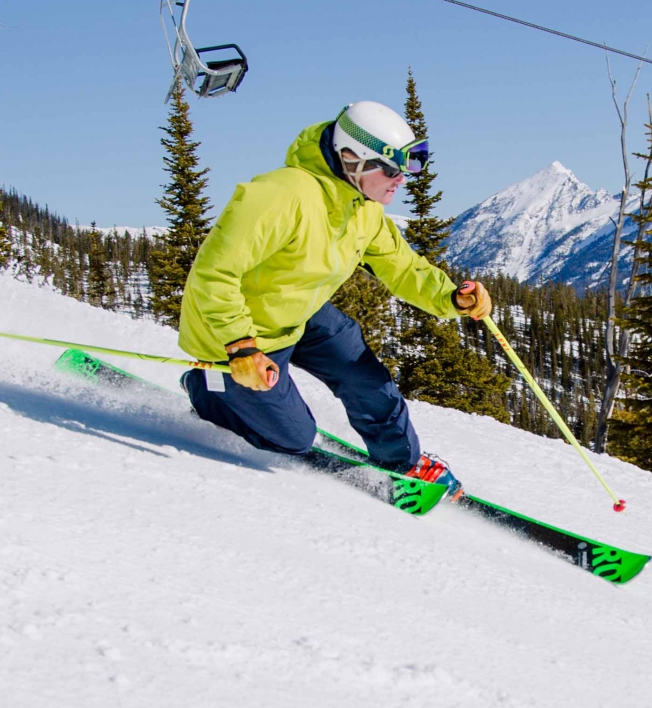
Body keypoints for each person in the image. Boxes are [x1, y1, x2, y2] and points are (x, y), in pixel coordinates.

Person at [177, 100, 494, 492]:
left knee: (366, 378)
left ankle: (402, 463)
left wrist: (451, 297)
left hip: (302, 312)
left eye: (408, 168)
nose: (402, 180)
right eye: (392, 168)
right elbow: (214, 273)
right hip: (239, 333)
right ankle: (207, 391)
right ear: (351, 158)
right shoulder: (279, 195)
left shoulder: (363, 207)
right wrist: (239, 345)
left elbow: (403, 266)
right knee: (293, 439)